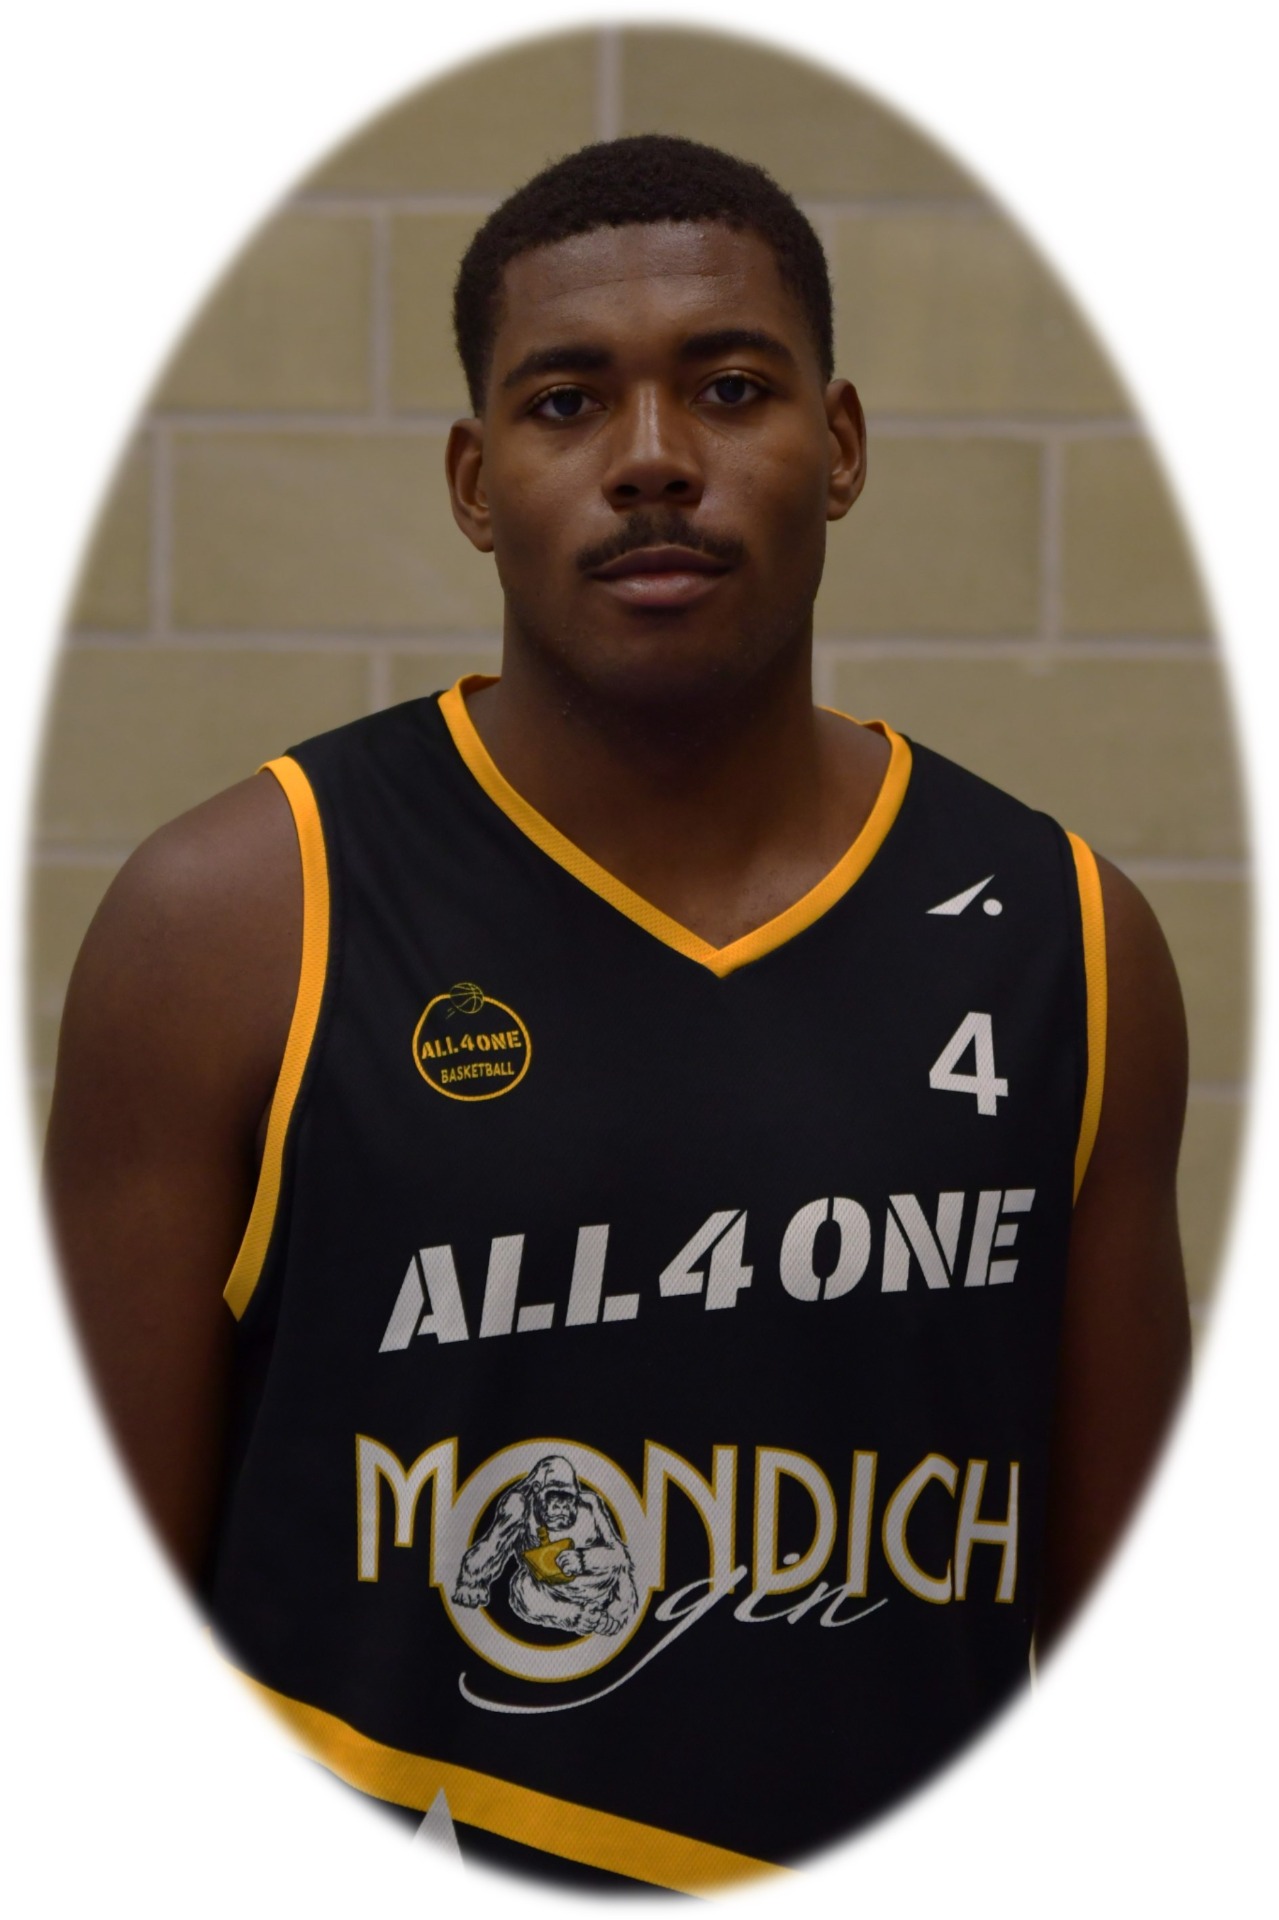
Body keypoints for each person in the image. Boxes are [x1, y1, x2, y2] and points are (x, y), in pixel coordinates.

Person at [44, 134, 1190, 1893]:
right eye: (567, 402)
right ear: (475, 479)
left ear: (843, 444)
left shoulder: (1070, 942)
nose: (654, 458)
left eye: (730, 388)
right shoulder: (233, 922)